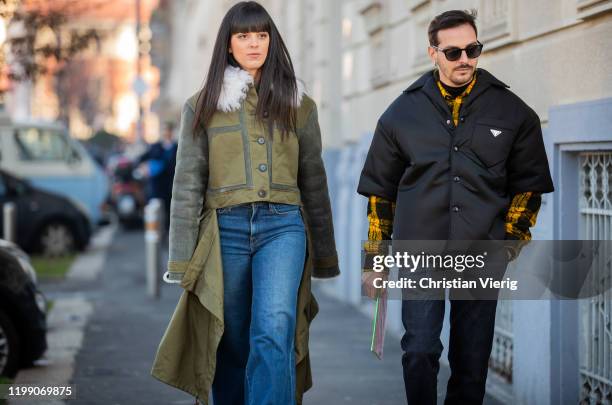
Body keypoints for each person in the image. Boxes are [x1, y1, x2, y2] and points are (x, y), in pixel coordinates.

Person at [357, 9, 554, 405]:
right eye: (453, 52)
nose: (465, 58)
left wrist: (510, 241)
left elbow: (529, 185)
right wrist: (375, 262)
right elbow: (381, 194)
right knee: (420, 350)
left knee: (472, 359)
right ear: (433, 53)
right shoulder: (401, 114)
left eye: (473, 49)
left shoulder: (513, 113)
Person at [151, 2, 339, 405]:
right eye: (243, 36)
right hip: (224, 231)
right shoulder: (201, 106)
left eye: (261, 35)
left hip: (284, 226)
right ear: (228, 44)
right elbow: (186, 185)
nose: (254, 43)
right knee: (231, 340)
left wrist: (324, 252)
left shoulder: (299, 104)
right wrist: (180, 259)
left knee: (274, 328)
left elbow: (314, 180)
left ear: (272, 41)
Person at [136, 122, 178, 226]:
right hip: (157, 184)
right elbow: (141, 159)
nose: (166, 132)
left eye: (168, 130)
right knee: (156, 210)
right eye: (164, 130)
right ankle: (158, 232)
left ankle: (168, 230)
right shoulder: (155, 146)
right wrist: (144, 168)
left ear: (171, 132)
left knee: (170, 209)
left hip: (171, 184)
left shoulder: (177, 147)